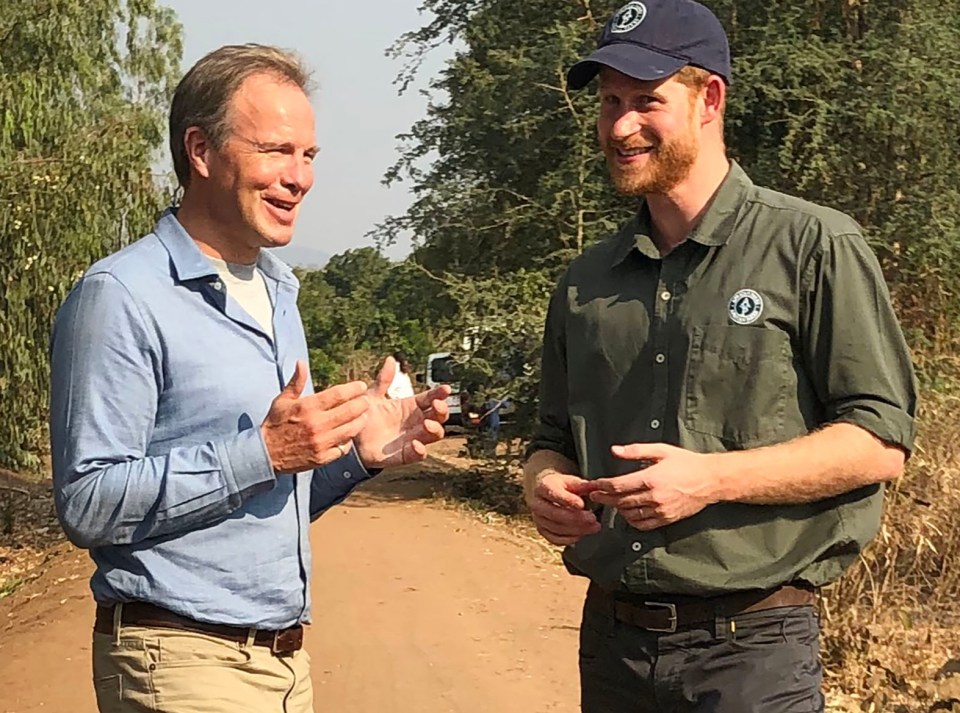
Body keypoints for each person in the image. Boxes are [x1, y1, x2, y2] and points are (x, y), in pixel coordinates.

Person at [523, 2, 917, 711]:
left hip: (753, 650)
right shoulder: (586, 280)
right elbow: (550, 439)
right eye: (610, 101)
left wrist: (711, 479)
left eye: (647, 100)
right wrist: (541, 483)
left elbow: (881, 440)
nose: (620, 126)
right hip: (612, 647)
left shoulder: (813, 246)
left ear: (710, 99)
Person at [49, 44, 450, 713]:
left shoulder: (277, 293)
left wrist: (356, 457)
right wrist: (261, 450)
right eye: (275, 150)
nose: (300, 177)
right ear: (201, 151)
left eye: (309, 155)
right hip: (178, 658)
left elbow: (263, 503)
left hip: (282, 665)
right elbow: (87, 502)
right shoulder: (121, 295)